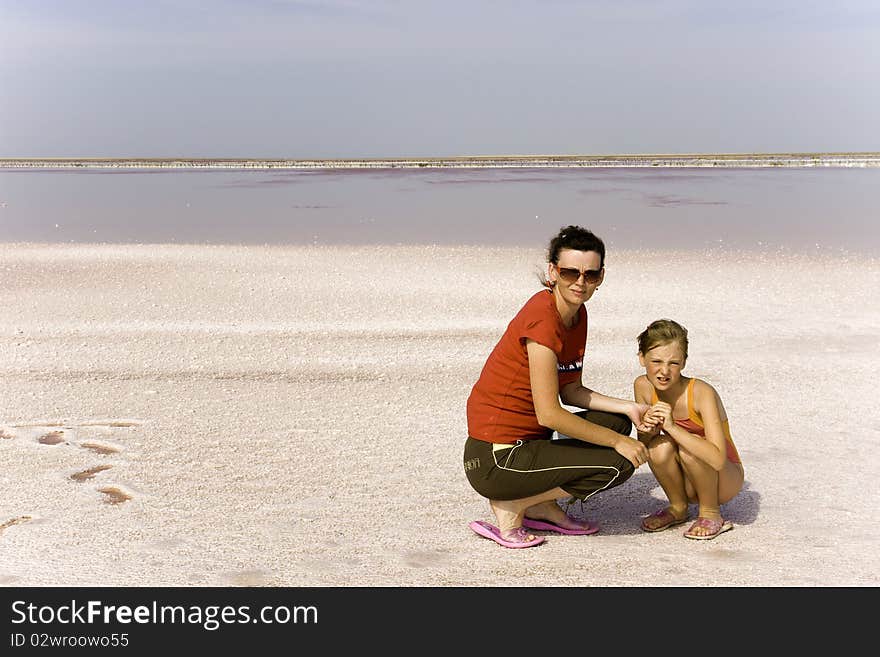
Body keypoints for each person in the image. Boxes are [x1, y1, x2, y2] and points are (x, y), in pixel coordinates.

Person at [463, 225, 651, 549]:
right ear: (553, 271)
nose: (580, 282)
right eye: (570, 272)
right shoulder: (543, 317)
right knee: (618, 462)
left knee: (617, 422)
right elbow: (550, 414)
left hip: (528, 444)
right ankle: (514, 504)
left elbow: (571, 390)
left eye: (590, 275)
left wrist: (629, 408)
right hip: (495, 459)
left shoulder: (577, 315)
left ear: (601, 276)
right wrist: (618, 443)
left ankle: (540, 504)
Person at [634, 319, 744, 540]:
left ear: (684, 362)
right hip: (687, 476)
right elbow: (645, 443)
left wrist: (672, 427)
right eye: (656, 361)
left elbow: (717, 459)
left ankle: (711, 512)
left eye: (674, 363)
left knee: (689, 449)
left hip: (724, 478)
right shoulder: (643, 386)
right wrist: (648, 429)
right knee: (657, 447)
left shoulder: (701, 392)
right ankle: (678, 508)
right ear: (641, 359)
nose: (664, 371)